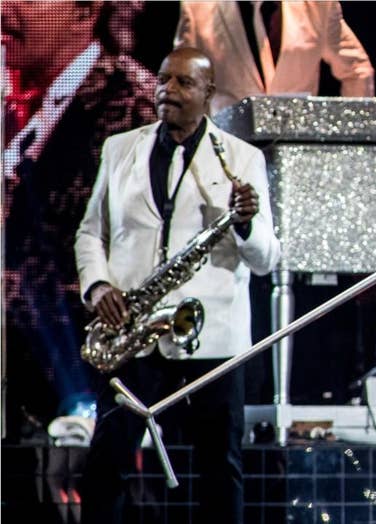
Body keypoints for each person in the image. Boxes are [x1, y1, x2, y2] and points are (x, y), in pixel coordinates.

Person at [74, 47, 281, 523]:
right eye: (164, 79)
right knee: (106, 466)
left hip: (212, 339)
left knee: (219, 470)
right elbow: (90, 231)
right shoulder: (119, 148)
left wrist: (246, 223)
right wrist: (99, 286)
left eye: (184, 83)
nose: (167, 90)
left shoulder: (242, 161)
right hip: (133, 331)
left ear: (209, 94)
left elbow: (266, 259)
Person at [2, 0, 156, 442]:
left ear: (86, 11)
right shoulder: (16, 105)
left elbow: (131, 261)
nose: (5, 7)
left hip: (90, 399)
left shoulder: (135, 110)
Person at [173, 0, 375, 114]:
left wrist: (351, 134)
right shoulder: (197, 7)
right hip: (229, 151)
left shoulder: (318, 6)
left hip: (297, 147)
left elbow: (357, 69)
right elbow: (182, 81)